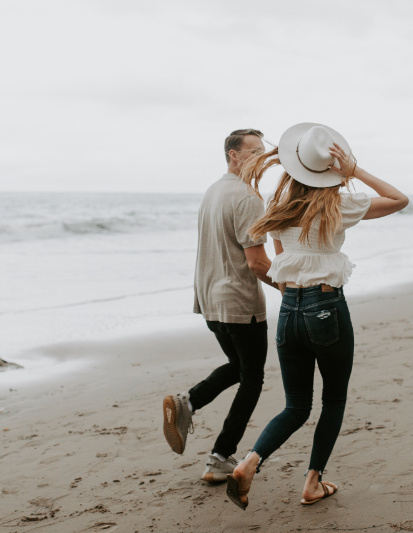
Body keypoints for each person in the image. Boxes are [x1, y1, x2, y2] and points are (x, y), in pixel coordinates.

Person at [225, 123, 408, 509]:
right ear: (329, 168)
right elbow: (397, 199)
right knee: (334, 400)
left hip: (289, 310)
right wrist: (354, 170)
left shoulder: (278, 208)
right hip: (326, 308)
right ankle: (312, 483)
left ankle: (249, 462)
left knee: (295, 405)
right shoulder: (339, 206)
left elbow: (279, 258)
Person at [162, 128, 279, 482]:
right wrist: (291, 289)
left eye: (264, 150)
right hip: (239, 302)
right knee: (253, 378)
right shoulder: (246, 197)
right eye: (254, 151)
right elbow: (257, 264)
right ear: (234, 155)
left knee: (239, 365)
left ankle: (189, 401)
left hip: (210, 299)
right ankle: (220, 458)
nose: (261, 156)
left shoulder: (214, 190)